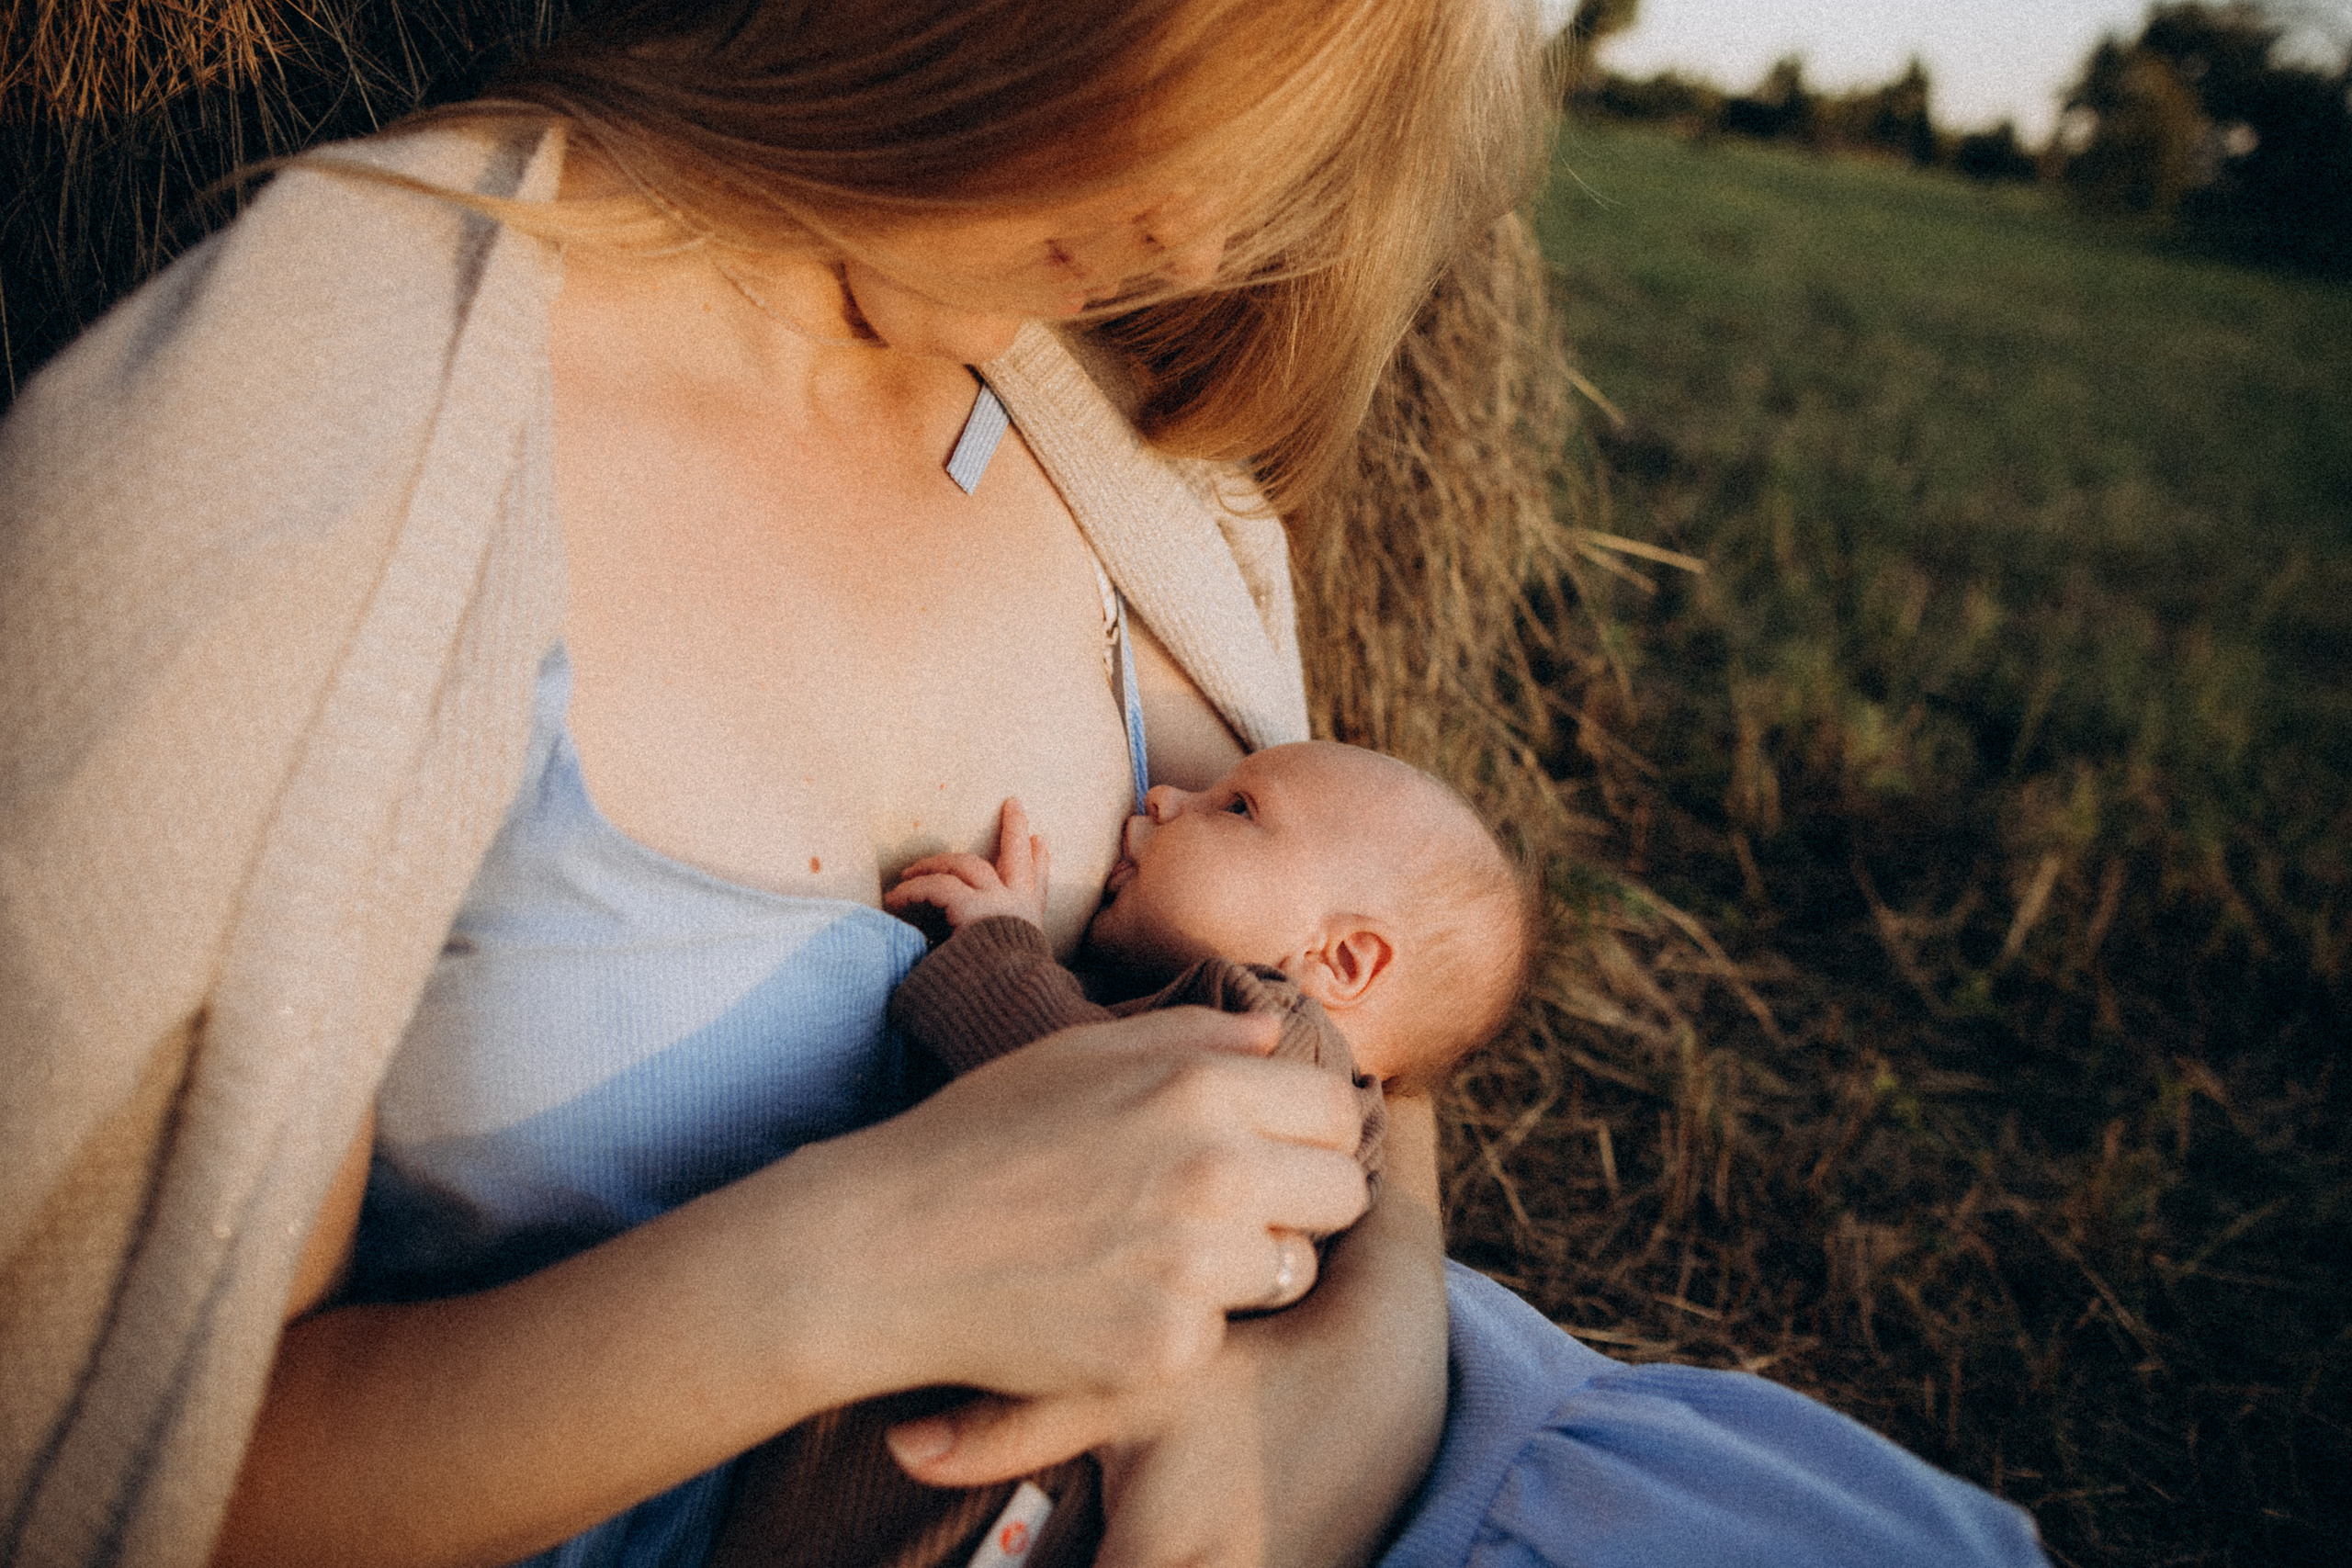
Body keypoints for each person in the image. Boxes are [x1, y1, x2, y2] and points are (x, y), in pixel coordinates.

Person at [0, 4, 2050, 1568]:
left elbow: (1355, 1022)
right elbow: (122, 1467)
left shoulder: (1108, 437)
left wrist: (1332, 1368)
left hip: (1439, 1457)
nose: (1220, 236)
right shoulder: (294, 451)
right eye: (1220, 135)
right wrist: (865, 1257)